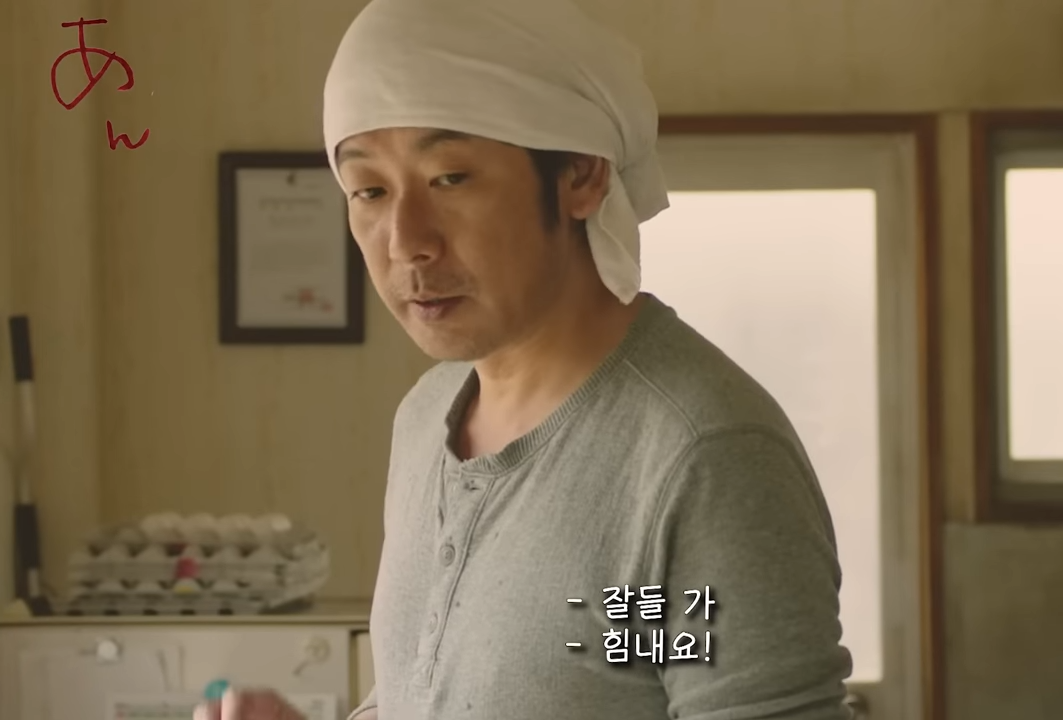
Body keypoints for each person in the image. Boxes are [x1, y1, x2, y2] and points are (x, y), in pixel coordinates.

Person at [195, 0, 854, 718]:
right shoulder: (425, 419)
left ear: (580, 175)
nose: (406, 241)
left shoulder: (703, 457)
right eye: (370, 191)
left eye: (450, 178)